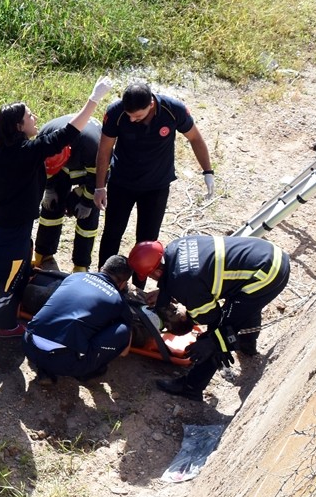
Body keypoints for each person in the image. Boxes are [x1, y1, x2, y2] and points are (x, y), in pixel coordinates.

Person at [0, 76, 113, 371]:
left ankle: (6, 326)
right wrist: (94, 98)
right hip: (11, 235)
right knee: (0, 290)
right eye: (30, 115)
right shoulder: (25, 154)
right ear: (19, 126)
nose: (35, 118)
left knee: (18, 278)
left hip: (11, 230)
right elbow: (68, 133)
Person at [129, 235, 291, 401]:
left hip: (266, 275)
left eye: (150, 276)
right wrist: (167, 291)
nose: (151, 279)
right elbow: (192, 272)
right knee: (244, 305)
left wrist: (200, 329)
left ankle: (192, 386)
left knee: (219, 333)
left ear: (156, 271)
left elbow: (211, 316)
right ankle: (247, 344)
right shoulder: (174, 247)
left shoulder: (185, 283)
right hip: (269, 254)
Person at [94, 82, 214, 278]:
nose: (132, 119)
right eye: (130, 115)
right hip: (122, 182)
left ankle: (138, 287)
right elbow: (105, 149)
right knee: (112, 233)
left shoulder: (173, 110)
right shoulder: (116, 112)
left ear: (151, 104)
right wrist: (100, 187)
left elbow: (195, 138)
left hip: (156, 186)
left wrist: (207, 171)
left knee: (147, 242)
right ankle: (104, 278)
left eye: (137, 116)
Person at [23, 254, 134, 383]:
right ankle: (87, 372)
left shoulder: (75, 277)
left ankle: (44, 369)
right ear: (123, 284)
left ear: (101, 268)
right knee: (123, 330)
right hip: (65, 362)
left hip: (28, 345)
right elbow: (124, 352)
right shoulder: (118, 301)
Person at [34, 115, 102, 272]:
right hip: (62, 170)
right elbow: (44, 170)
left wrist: (86, 201)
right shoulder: (43, 138)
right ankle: (43, 254)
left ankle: (81, 264)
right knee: (51, 207)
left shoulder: (91, 146)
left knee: (88, 215)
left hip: (91, 172)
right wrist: (49, 189)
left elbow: (99, 178)